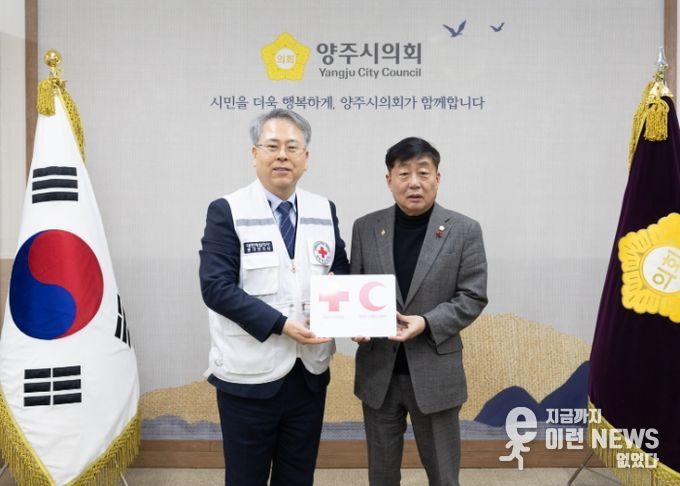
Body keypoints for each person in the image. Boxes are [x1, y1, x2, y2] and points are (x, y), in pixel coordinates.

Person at [199, 108, 349, 486]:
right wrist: (281, 325)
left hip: (308, 374)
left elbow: (340, 270)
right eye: (272, 146)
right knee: (246, 479)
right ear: (255, 154)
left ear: (306, 158)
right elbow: (216, 287)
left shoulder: (323, 209)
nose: (282, 155)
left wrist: (348, 307)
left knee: (297, 477)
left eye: (292, 147)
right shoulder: (228, 210)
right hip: (248, 376)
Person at [350, 137, 488, 486]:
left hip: (435, 372)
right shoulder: (365, 228)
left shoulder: (464, 230)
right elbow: (355, 289)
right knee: (381, 475)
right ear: (389, 180)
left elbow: (473, 297)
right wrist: (353, 322)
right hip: (378, 373)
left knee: (443, 476)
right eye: (404, 173)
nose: (414, 183)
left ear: (437, 178)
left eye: (423, 173)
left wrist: (426, 322)